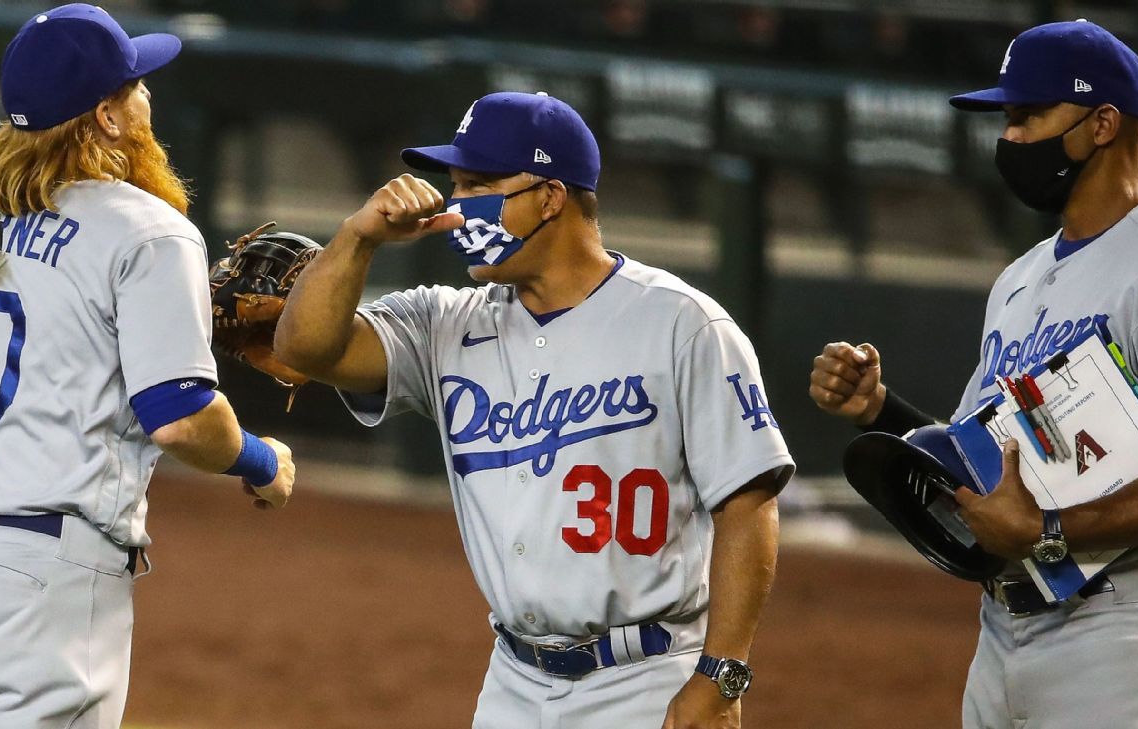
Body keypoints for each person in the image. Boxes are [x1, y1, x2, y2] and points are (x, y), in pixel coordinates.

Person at [274, 91, 794, 729]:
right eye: (455, 184)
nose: (456, 206)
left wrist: (722, 676)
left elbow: (748, 504)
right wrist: (358, 237)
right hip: (512, 683)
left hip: (647, 677)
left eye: (479, 184)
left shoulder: (682, 323)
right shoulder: (445, 322)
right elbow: (305, 350)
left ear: (550, 197)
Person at [0, 5, 296, 728]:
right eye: (135, 86)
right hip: (37, 590)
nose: (147, 98)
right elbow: (182, 421)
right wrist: (261, 461)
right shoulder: (149, 231)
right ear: (107, 116)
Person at [809, 20, 1138, 729]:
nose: (1011, 136)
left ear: (1103, 124)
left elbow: (1033, 518)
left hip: (1122, 626)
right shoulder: (1019, 280)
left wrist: (1048, 528)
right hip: (1002, 629)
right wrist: (880, 410)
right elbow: (980, 462)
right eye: (1007, 118)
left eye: (1029, 115)